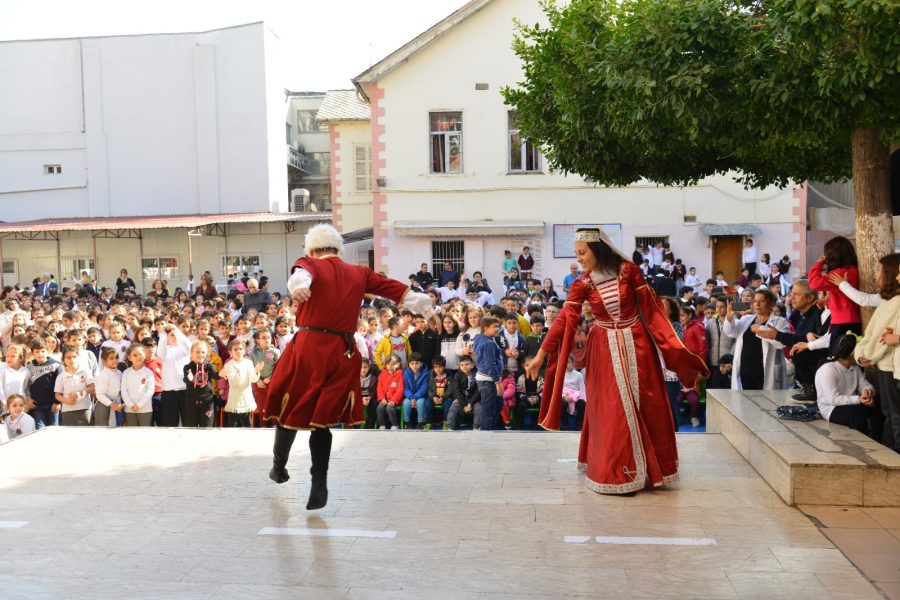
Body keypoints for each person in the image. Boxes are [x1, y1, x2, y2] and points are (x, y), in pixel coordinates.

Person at [261, 224, 432, 510]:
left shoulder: (309, 263)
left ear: (312, 249)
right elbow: (397, 290)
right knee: (322, 419)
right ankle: (319, 482)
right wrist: (422, 302)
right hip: (342, 352)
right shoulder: (359, 273)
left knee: (290, 410)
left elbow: (301, 276)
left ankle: (279, 467)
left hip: (309, 348)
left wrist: (300, 287)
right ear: (338, 249)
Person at [525, 228, 708, 496]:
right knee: (612, 409)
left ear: (597, 250)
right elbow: (565, 319)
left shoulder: (629, 271)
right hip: (602, 349)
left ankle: (650, 471)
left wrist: (676, 353)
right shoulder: (582, 283)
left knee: (646, 404)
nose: (579, 259)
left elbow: (652, 309)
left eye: (582, 253)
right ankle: (618, 471)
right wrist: (541, 355)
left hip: (637, 344)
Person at [852, 253, 900, 452]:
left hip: (891, 366)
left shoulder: (896, 303)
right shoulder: (888, 302)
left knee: (895, 416)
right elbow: (871, 334)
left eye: (880, 270)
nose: (876, 274)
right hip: (887, 365)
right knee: (889, 413)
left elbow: (882, 339)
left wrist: (867, 355)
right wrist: (861, 353)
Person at [758, 280, 830, 402]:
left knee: (798, 352)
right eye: (791, 294)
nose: (791, 298)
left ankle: (811, 389)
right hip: (800, 376)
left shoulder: (817, 315)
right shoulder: (800, 314)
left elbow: (808, 342)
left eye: (796, 294)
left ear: (809, 298)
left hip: (820, 372)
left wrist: (777, 335)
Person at [723, 290, 790, 390]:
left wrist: (760, 330)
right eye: (755, 301)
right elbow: (730, 332)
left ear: (771, 303)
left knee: (767, 403)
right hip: (745, 371)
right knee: (745, 402)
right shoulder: (746, 319)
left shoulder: (780, 321)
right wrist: (729, 316)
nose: (757, 304)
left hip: (765, 372)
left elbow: (781, 343)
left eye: (762, 301)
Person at [816, 334, 877, 438]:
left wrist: (868, 393)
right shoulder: (829, 370)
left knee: (879, 404)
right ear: (852, 354)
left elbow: (864, 384)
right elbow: (833, 399)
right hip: (831, 408)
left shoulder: (854, 367)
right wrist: (859, 399)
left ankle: (878, 440)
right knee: (858, 413)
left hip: (852, 402)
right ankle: (865, 443)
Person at [809, 236, 862, 352]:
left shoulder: (839, 273)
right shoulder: (852, 270)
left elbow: (814, 283)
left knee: (836, 360)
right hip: (850, 320)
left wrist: (819, 263)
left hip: (843, 322)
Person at [473, 316, 505, 431]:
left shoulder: (481, 338)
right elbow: (490, 364)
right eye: (495, 327)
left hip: (486, 379)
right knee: (488, 411)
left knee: (499, 404)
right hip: (489, 381)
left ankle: (489, 428)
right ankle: (485, 434)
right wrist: (497, 382)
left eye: (498, 326)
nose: (498, 329)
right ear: (486, 328)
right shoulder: (489, 343)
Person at [182, 340, 221, 428]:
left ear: (206, 353)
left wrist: (222, 374)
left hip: (207, 403)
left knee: (207, 426)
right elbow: (185, 380)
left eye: (203, 352)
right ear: (191, 353)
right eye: (197, 352)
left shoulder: (209, 366)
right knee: (190, 426)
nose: (201, 354)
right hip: (191, 403)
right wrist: (190, 379)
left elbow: (216, 375)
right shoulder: (188, 367)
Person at [54, 345, 95, 426]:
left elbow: (92, 387)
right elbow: (57, 395)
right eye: (68, 357)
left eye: (74, 357)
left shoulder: (85, 371)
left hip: (85, 408)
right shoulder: (60, 377)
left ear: (78, 357)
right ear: (63, 360)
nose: (72, 360)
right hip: (67, 411)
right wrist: (67, 401)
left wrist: (79, 394)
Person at [121, 344, 155, 427]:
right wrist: (131, 405)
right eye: (135, 355)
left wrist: (139, 405)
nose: (138, 357)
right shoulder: (126, 373)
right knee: (132, 433)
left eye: (140, 354)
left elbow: (150, 391)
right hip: (130, 409)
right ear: (129, 358)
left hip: (145, 409)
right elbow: (124, 391)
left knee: (144, 434)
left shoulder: (149, 372)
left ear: (144, 355)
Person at [94, 348, 124, 427]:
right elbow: (99, 394)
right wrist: (111, 404)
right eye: (111, 358)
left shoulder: (119, 373)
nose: (115, 360)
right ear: (104, 361)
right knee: (103, 430)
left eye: (116, 357)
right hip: (103, 406)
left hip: (117, 405)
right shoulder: (103, 375)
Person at [402, 353, 430, 429]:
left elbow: (424, 387)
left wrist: (415, 397)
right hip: (409, 396)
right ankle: (407, 422)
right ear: (409, 364)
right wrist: (411, 398)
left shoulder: (426, 373)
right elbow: (406, 388)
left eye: (417, 363)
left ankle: (421, 422)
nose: (414, 366)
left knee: (420, 402)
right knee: (406, 402)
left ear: (421, 364)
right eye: (412, 363)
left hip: (421, 396)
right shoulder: (406, 373)